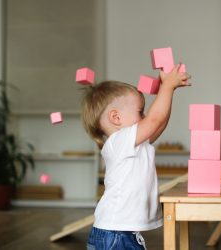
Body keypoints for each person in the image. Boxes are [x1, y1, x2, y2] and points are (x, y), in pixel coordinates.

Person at [81, 64, 191, 250]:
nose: (145, 116)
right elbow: (154, 120)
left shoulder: (132, 143)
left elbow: (158, 123)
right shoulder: (120, 141)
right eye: (140, 112)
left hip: (117, 232)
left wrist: (168, 92)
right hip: (115, 233)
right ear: (116, 118)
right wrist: (167, 87)